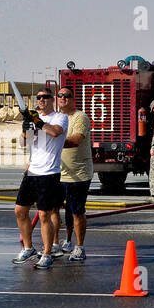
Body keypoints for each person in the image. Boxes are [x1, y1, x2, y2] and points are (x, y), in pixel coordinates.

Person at [13, 89, 68, 269]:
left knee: (45, 214)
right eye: (38, 97)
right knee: (20, 210)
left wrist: (37, 120)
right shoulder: (34, 120)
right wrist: (25, 127)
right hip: (32, 171)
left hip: (49, 173)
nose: (41, 100)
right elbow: (23, 144)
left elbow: (55, 133)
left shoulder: (59, 118)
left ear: (53, 100)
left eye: (45, 97)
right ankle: (28, 248)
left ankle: (47, 253)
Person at [56, 88, 93, 262]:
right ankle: (62, 242)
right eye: (60, 95)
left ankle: (80, 247)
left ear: (72, 99)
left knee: (76, 211)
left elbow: (76, 140)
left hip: (78, 174)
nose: (63, 98)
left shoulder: (80, 117)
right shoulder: (57, 118)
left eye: (67, 96)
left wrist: (51, 139)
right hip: (58, 172)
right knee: (54, 210)